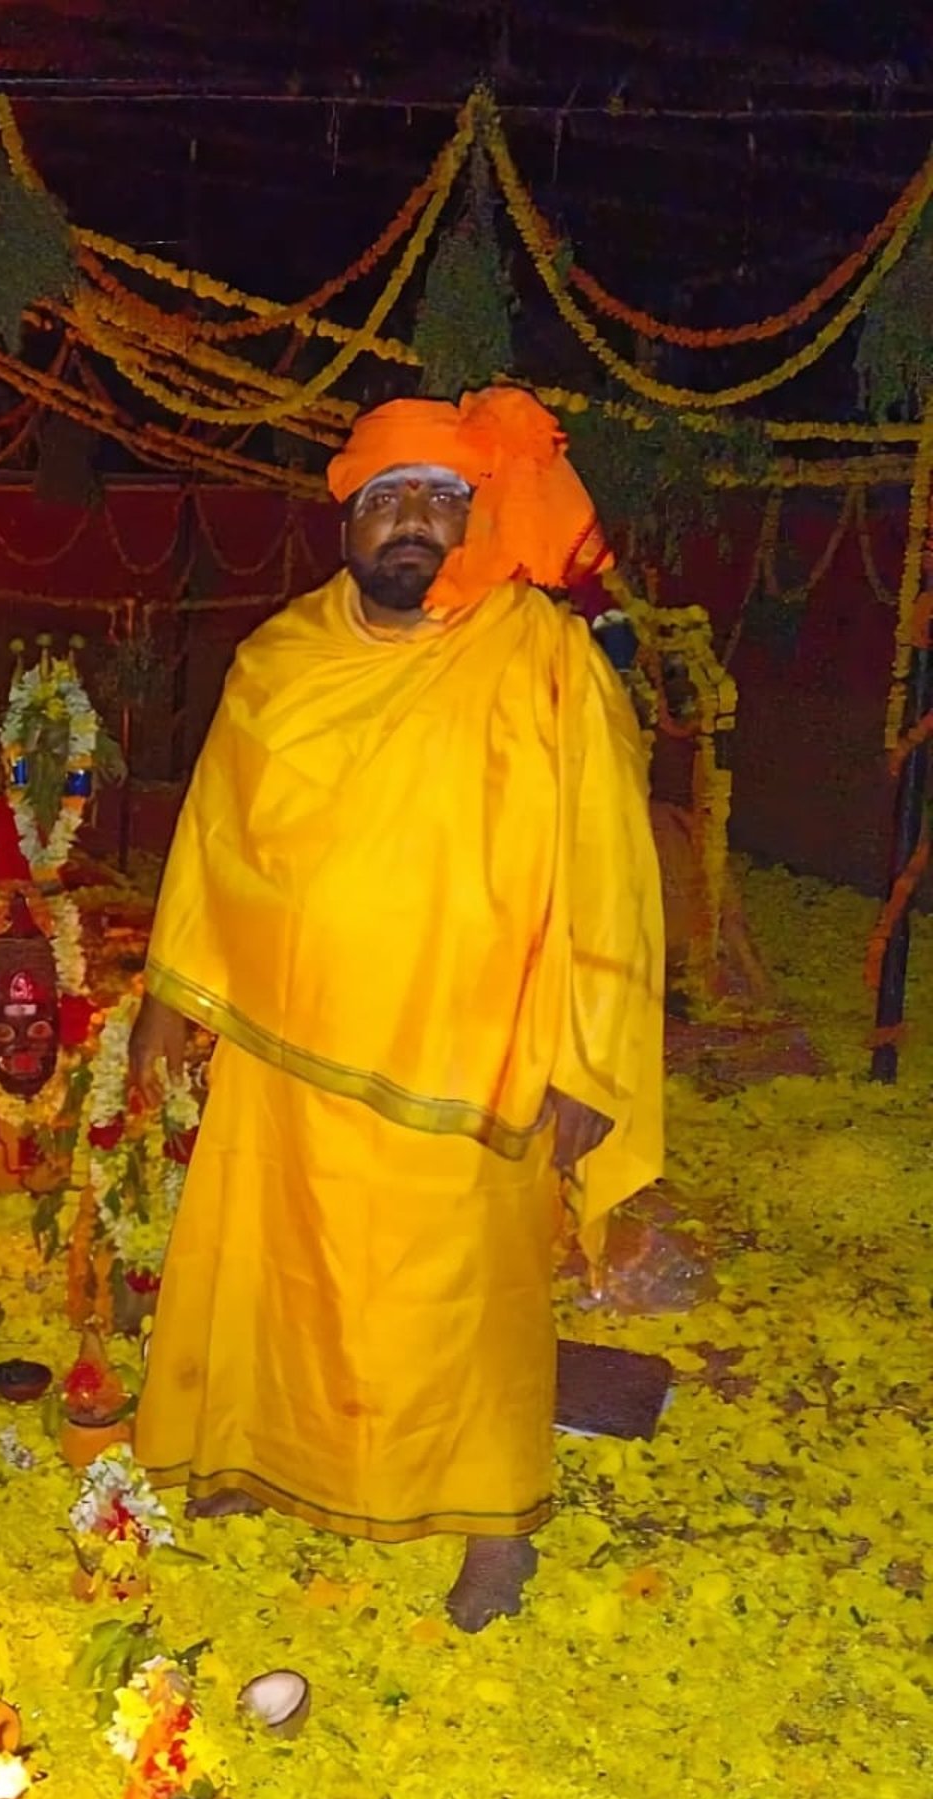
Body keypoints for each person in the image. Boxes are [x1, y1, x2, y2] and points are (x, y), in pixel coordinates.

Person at [128, 387, 664, 1631]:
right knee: (282, 1268)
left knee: (464, 1300)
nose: (413, 522)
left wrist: (586, 1059)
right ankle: (260, 1454)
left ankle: (493, 1523)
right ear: (351, 522)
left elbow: (606, 864)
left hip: (476, 1050)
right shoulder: (279, 660)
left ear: (472, 520)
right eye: (390, 500)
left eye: (440, 499)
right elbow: (216, 838)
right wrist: (171, 998)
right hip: (286, 1044)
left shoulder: (543, 657)